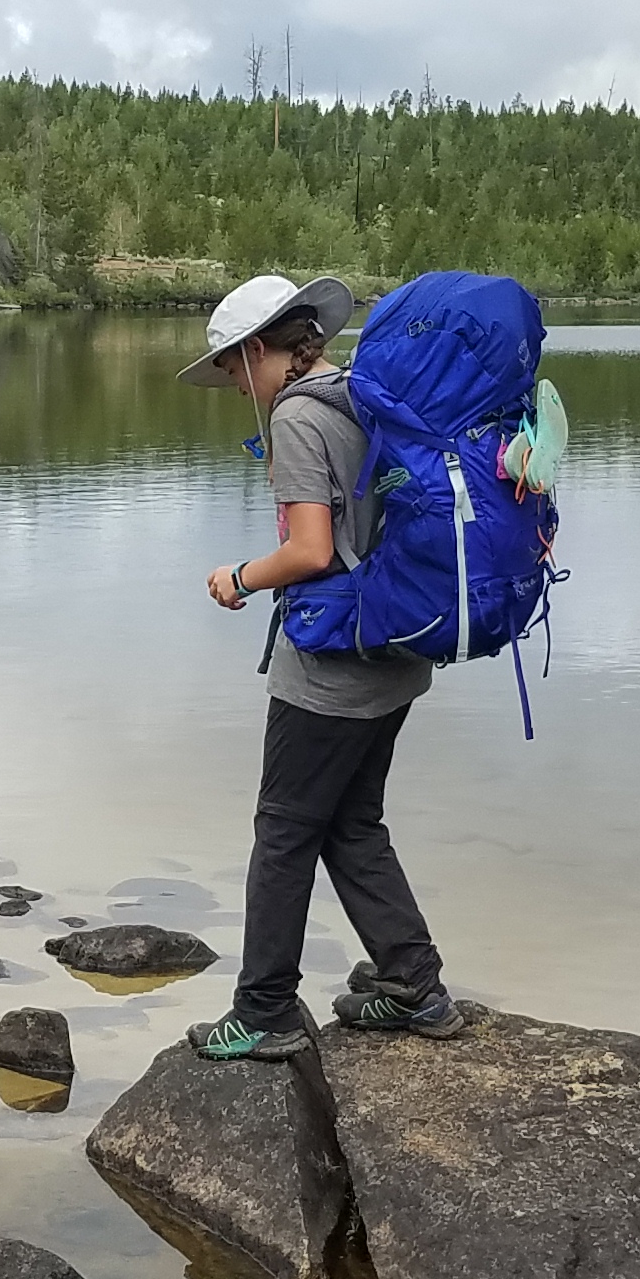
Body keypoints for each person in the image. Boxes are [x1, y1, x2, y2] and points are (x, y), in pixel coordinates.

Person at [180, 273, 464, 1060]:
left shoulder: (301, 417)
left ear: (260, 350)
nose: (237, 387)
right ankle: (415, 985)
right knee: (350, 821)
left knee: (282, 831)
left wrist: (238, 576)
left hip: (335, 664)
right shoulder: (361, 399)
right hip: (398, 650)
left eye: (234, 370)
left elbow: (309, 550)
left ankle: (264, 1009)